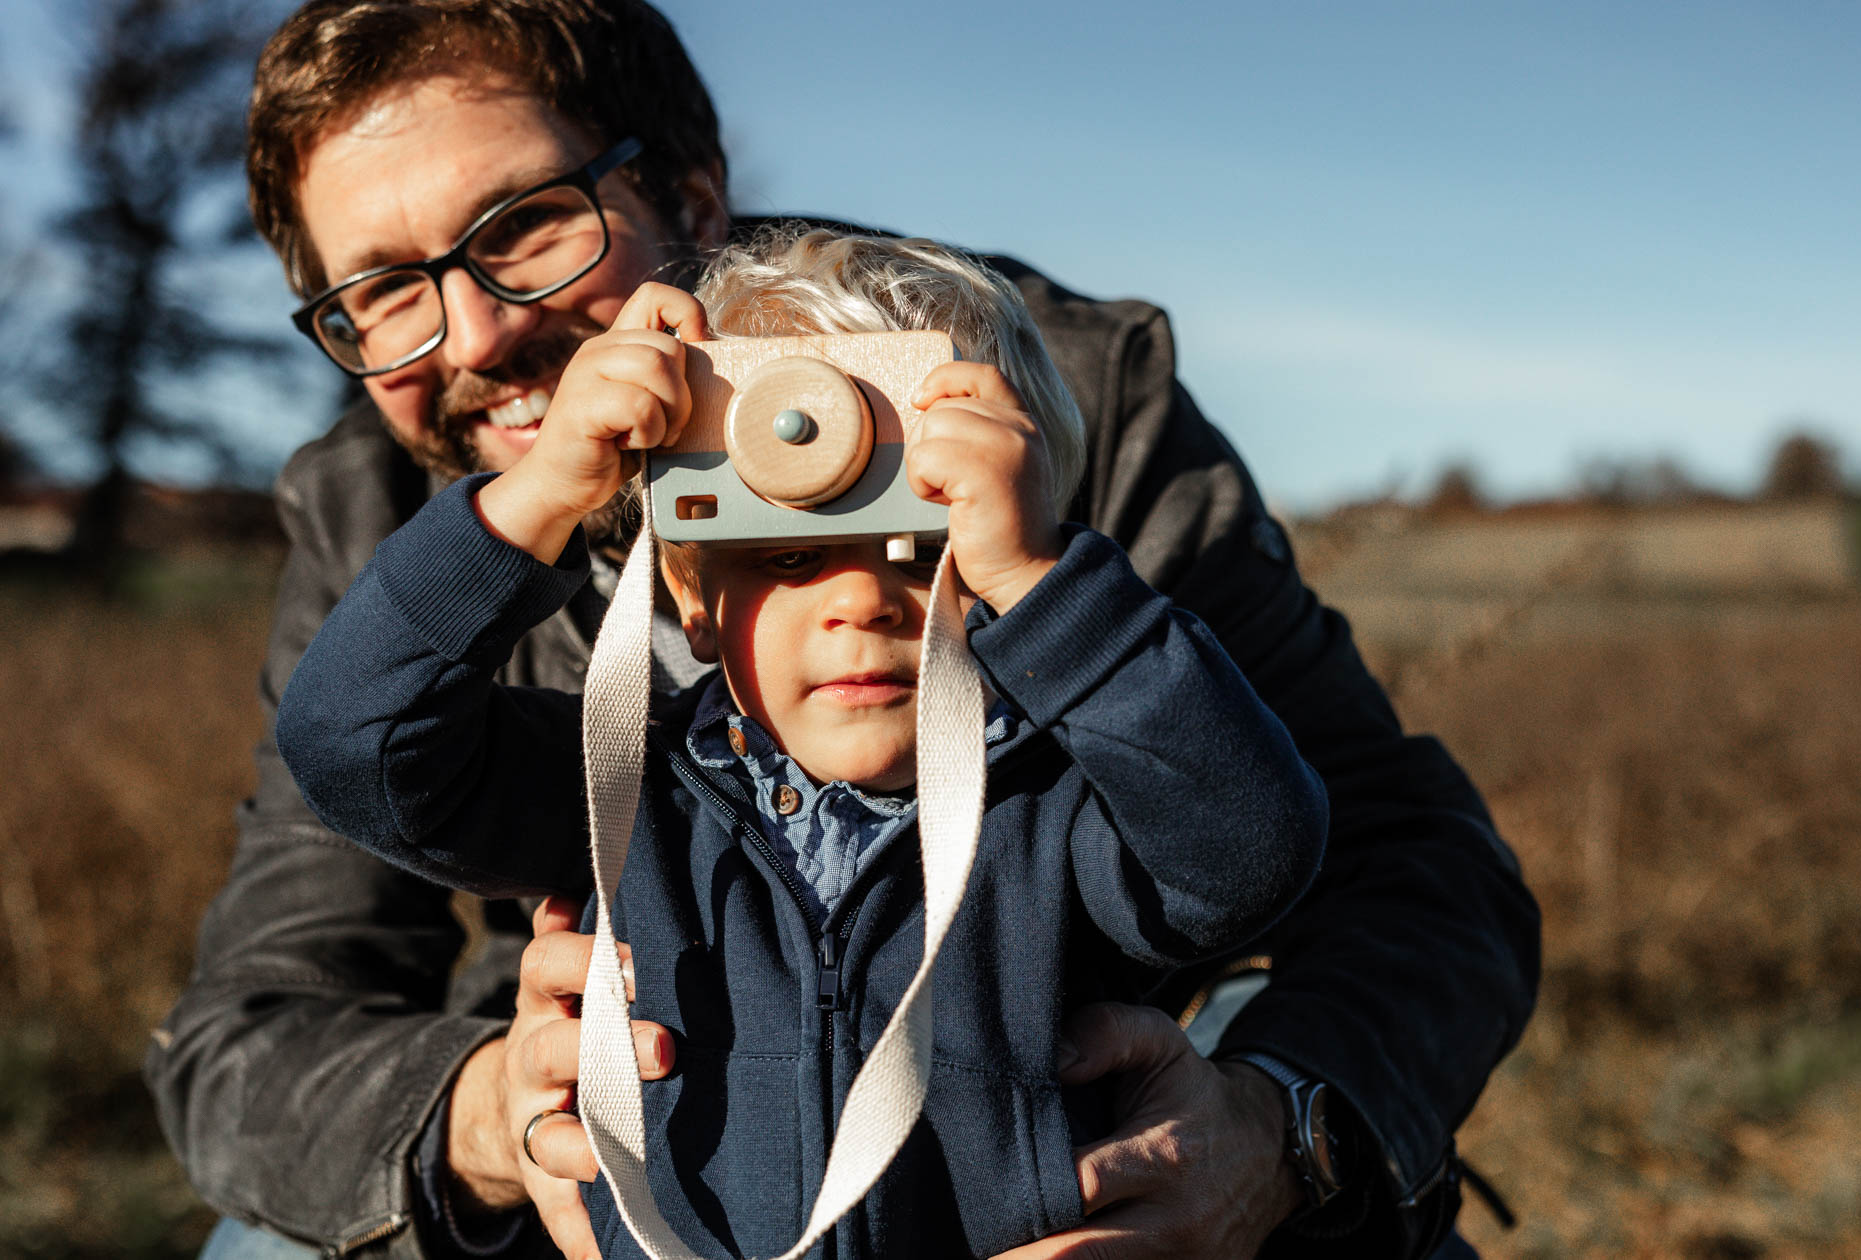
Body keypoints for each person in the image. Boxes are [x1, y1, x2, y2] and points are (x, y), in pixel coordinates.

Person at [144, 2, 1540, 1258]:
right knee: (271, 1243)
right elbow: (259, 1014)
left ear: (690, 193)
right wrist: (487, 1121)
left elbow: (1387, 860)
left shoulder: (1042, 390)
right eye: (384, 288)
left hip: (1069, 1117)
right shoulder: (384, 514)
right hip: (637, 1148)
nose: (469, 339)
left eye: (521, 228)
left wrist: (1273, 1135)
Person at [273, 232, 1332, 1259]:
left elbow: (1250, 852)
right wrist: (539, 495)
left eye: (928, 548)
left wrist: (1056, 595)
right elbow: (350, 744)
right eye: (785, 553)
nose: (862, 600)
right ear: (689, 596)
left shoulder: (1058, 803)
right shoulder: (624, 785)